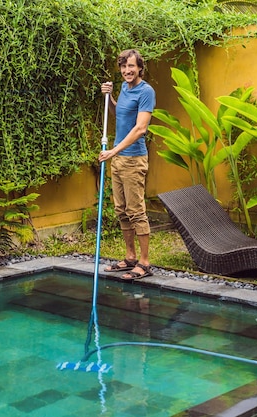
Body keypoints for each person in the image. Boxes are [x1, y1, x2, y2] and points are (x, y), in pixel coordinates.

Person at [99, 49, 156, 280]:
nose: (127, 71)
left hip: (133, 159)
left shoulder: (146, 92)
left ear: (140, 67)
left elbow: (140, 128)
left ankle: (144, 262)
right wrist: (109, 98)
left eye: (131, 66)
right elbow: (119, 114)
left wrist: (114, 150)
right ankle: (130, 257)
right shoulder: (124, 87)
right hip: (118, 159)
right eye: (123, 67)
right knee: (122, 210)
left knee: (136, 211)